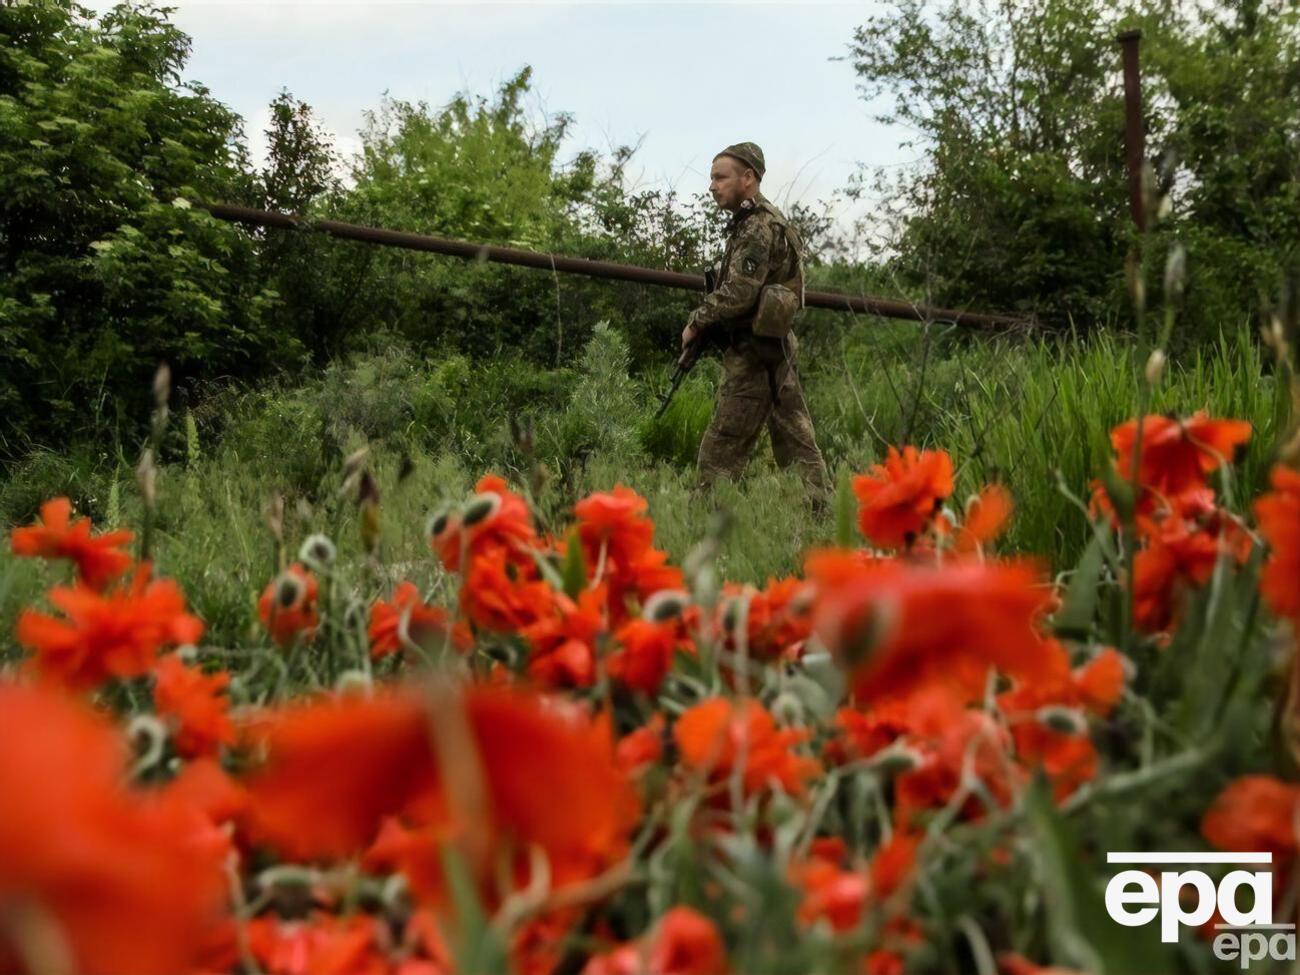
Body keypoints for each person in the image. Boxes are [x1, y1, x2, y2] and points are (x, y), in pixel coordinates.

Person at [681, 142, 830, 501]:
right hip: (774, 347)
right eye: (711, 177)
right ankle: (821, 515)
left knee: (722, 448)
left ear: (748, 178)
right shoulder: (758, 221)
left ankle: (706, 523)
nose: (712, 186)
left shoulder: (757, 227)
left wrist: (696, 321)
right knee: (795, 439)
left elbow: (739, 294)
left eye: (721, 177)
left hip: (754, 352)